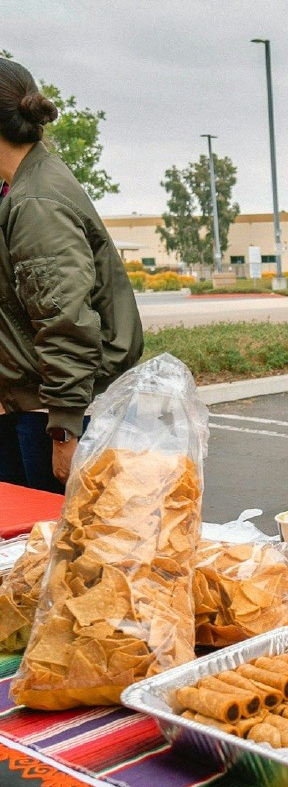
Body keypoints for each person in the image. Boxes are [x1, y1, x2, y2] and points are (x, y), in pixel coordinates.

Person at [0, 59, 142, 493]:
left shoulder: (36, 202)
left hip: (50, 415)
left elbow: (65, 322)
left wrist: (64, 429)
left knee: (54, 552)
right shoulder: (19, 186)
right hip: (31, 404)